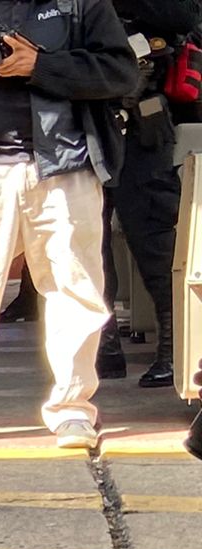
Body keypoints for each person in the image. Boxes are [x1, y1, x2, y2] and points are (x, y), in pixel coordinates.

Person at [0, 0, 138, 451]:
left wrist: (42, 66)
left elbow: (120, 73)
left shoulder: (82, 5)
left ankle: (73, 410)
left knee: (75, 293)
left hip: (66, 166)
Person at [95, 0, 202, 388]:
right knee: (87, 243)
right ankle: (103, 346)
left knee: (155, 239)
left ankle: (174, 350)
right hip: (84, 118)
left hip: (143, 120)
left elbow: (184, 17)